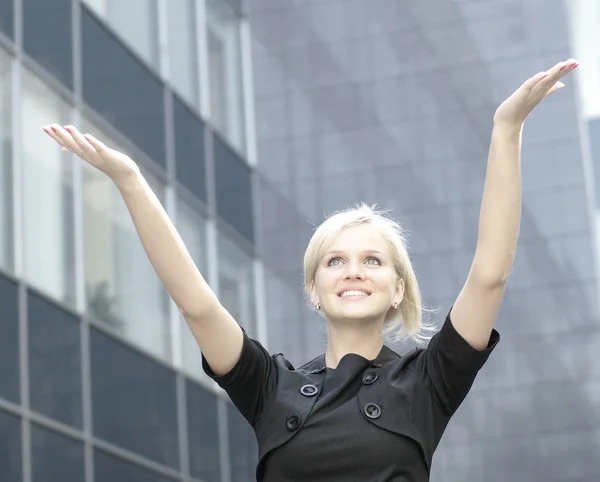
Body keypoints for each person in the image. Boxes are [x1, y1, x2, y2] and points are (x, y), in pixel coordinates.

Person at [43, 58, 578, 481]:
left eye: (372, 261)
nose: (353, 272)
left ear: (397, 290)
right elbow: (196, 303)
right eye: (335, 261)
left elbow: (490, 274)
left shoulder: (427, 382)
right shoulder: (269, 386)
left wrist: (506, 130)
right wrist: (132, 181)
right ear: (315, 290)